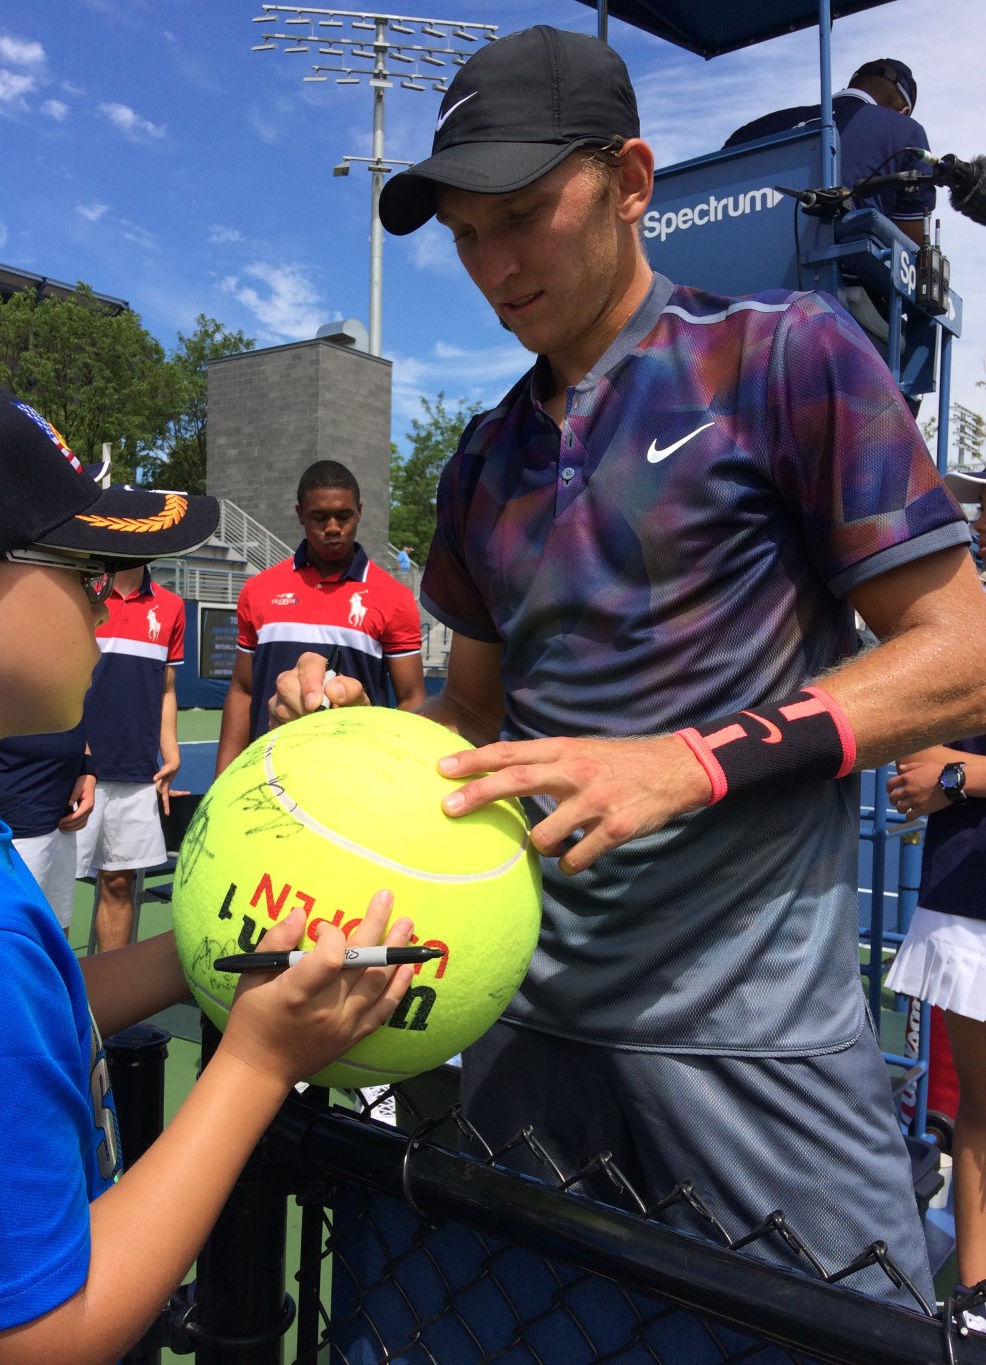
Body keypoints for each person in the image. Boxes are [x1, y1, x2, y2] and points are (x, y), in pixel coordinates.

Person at [271, 27, 986, 1307]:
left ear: (633, 181)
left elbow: (964, 659)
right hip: (513, 1024)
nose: (493, 267)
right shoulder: (481, 460)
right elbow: (469, 717)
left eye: (523, 215)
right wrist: (348, 736)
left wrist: (690, 761)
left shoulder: (784, 356)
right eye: (465, 234)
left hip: (753, 1043)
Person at [0, 371, 416, 1363]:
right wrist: (255, 1064)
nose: (108, 602)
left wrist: (199, 953)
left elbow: (37, 1010)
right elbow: (36, 1342)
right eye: (84, 568)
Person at [886, 466, 986, 1304]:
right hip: (969, 892)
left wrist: (957, 775)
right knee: (983, 1115)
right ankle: (979, 1303)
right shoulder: (968, 616)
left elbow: (953, 766)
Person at [215, 460, 425, 776]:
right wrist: (223, 777)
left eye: (343, 516)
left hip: (354, 775)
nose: (332, 527)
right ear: (300, 513)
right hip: (268, 773)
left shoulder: (394, 597)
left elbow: (411, 699)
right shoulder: (258, 590)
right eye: (319, 517)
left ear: (360, 511)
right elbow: (243, 690)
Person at [75, 563, 185, 951]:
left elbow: (167, 688)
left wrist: (169, 749)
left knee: (120, 883)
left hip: (137, 769)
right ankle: (55, 1002)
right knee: (54, 887)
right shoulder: (78, 591)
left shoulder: (171, 606)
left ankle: (108, 1000)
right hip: (72, 765)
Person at [725, 58, 935, 245]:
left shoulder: (752, 130)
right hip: (841, 278)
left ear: (852, 84)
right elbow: (912, 247)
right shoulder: (907, 131)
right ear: (903, 112)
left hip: (735, 274)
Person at [0, 726, 95, 937]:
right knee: (11, 941)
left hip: (61, 816)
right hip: (10, 824)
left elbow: (72, 714)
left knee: (56, 936)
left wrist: (87, 767)